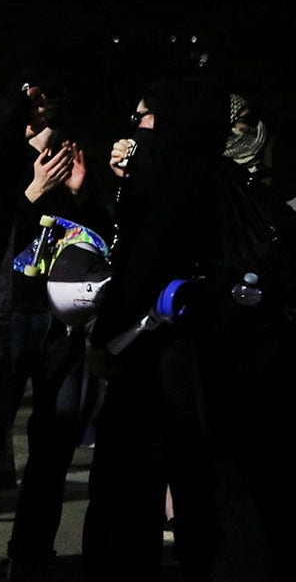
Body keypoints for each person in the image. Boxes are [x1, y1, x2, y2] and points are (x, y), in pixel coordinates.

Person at [82, 74, 260, 580]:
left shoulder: (167, 175)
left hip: (155, 361)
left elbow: (141, 265)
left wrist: (106, 340)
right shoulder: (229, 178)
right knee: (212, 493)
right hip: (215, 360)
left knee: (127, 492)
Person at [0, 75, 109, 582]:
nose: (44, 128)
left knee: (53, 447)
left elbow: (98, 242)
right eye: (34, 116)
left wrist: (81, 194)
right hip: (5, 321)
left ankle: (31, 551)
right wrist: (33, 191)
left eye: (50, 116)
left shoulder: (67, 165)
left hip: (59, 325)